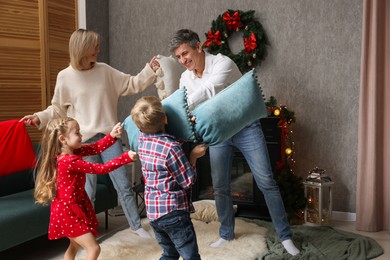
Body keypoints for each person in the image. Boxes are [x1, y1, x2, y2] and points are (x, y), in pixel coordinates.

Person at [168, 29, 300, 256]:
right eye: (178, 57)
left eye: (185, 53)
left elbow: (208, 91)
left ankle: (285, 236)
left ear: (199, 47)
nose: (183, 61)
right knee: (220, 186)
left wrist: (185, 106)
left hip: (246, 129)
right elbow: (186, 103)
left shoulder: (223, 63)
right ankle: (226, 233)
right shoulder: (185, 77)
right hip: (220, 133)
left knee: (266, 181)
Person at [22, 29, 160, 238]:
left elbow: (132, 83)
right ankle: (87, 234)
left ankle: (136, 226)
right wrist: (38, 117)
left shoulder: (105, 71)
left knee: (123, 185)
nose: (98, 50)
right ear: (82, 49)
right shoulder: (65, 77)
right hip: (81, 141)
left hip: (109, 138)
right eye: (94, 47)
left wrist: (150, 70)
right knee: (87, 192)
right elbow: (57, 109)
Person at [34, 117, 138, 260]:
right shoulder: (69, 161)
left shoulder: (75, 152)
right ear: (63, 139)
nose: (81, 136)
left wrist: (111, 136)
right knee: (94, 249)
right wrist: (125, 158)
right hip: (68, 211)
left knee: (74, 246)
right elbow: (101, 169)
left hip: (70, 207)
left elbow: (95, 147)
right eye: (77, 133)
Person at [130, 96, 207, 260]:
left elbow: (160, 140)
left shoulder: (141, 139)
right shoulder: (171, 148)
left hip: (153, 212)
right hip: (173, 212)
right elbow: (188, 181)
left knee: (170, 254)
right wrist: (193, 156)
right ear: (165, 119)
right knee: (190, 255)